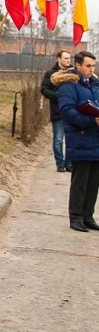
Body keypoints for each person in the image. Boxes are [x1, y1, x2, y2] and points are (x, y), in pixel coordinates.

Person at [54, 50, 99, 233]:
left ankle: (88, 215)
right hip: (80, 138)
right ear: (78, 65)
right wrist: (91, 120)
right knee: (80, 181)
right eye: (88, 66)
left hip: (95, 139)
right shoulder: (69, 84)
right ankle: (76, 217)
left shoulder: (94, 84)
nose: (91, 69)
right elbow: (67, 111)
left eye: (93, 66)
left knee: (93, 182)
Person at [40, 48, 73, 172]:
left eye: (69, 58)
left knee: (71, 139)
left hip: (71, 111)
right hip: (57, 110)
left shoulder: (73, 72)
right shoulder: (50, 73)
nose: (68, 60)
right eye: (65, 58)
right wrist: (58, 96)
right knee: (58, 139)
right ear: (59, 59)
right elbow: (44, 89)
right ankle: (60, 163)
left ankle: (69, 163)